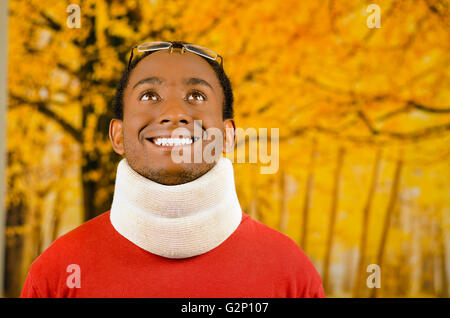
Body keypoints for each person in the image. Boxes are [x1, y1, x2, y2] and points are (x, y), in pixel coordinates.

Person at [20, 41, 325, 298]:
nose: (175, 113)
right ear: (117, 135)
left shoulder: (291, 273)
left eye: (196, 96)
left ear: (229, 135)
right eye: (149, 95)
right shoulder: (57, 273)